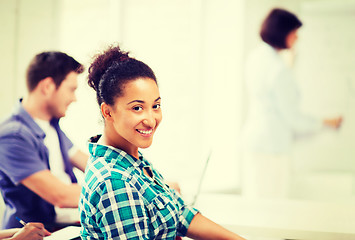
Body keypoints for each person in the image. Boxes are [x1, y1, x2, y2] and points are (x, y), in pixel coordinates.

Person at [78, 45, 246, 240]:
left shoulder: (132, 161)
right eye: (137, 108)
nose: (151, 119)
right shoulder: (114, 182)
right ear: (108, 112)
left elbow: (180, 214)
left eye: (155, 106)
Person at [241, 8, 342, 199]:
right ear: (283, 33)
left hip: (255, 143)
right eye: (294, 33)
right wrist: (326, 122)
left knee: (256, 204)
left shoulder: (255, 58)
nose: (297, 38)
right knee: (273, 207)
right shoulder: (279, 70)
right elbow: (293, 118)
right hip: (273, 149)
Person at [0, 51, 89, 230]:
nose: (74, 98)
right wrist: (120, 192)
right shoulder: (12, 136)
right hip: (37, 233)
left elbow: (90, 165)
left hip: (64, 224)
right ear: (47, 86)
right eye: (71, 89)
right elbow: (60, 196)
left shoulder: (50, 125)